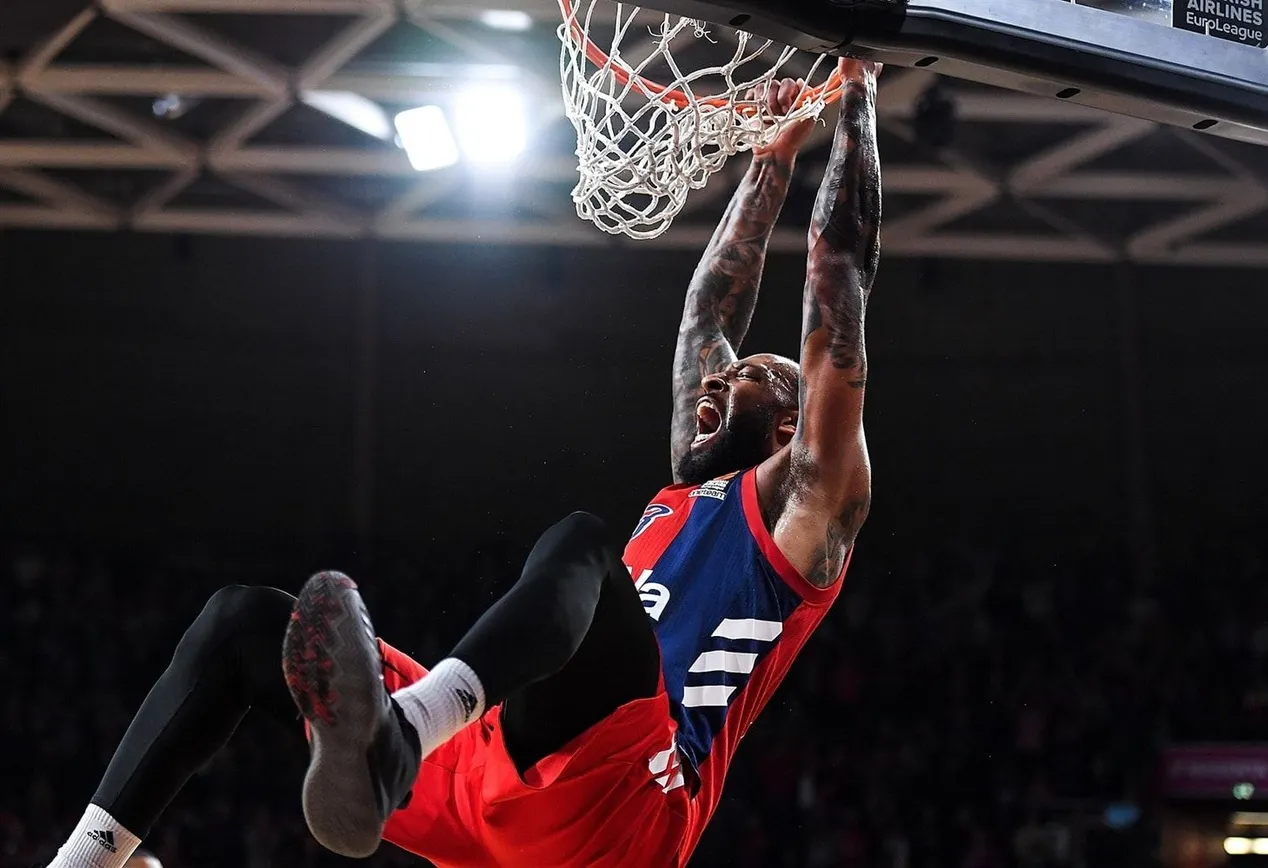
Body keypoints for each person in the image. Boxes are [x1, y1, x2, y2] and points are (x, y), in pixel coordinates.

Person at [42, 56, 883, 868]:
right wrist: (772, 156)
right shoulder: (690, 486)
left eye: (746, 376)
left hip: (626, 808)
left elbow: (838, 280)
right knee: (243, 623)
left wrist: (856, 92)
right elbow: (708, 308)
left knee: (586, 545)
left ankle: (402, 733)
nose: (719, 375)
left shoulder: (809, 505)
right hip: (495, 769)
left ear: (790, 426)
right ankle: (85, 859)